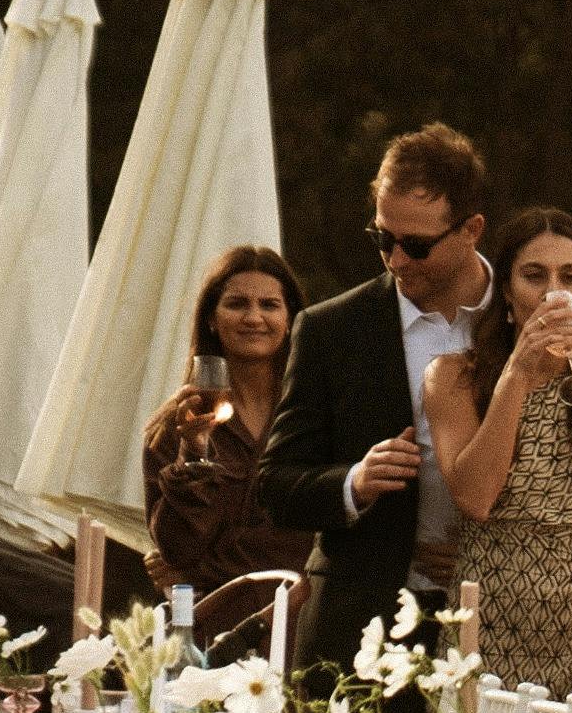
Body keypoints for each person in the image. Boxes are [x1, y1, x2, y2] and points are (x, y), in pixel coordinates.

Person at [259, 123, 497, 680]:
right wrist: (353, 483)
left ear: (472, 230)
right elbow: (275, 483)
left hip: (501, 621)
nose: (395, 259)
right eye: (382, 238)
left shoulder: (521, 316)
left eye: (415, 245)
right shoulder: (329, 329)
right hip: (360, 622)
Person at [424, 206, 572, 699]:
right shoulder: (453, 378)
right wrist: (518, 373)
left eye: (570, 277)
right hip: (488, 619)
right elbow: (475, 497)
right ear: (507, 292)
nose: (554, 293)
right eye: (534, 276)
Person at [141, 244, 309, 651]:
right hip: (215, 633)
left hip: (303, 626)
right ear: (212, 320)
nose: (254, 317)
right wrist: (194, 453)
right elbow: (178, 549)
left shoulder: (312, 414)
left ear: (290, 320)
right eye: (237, 304)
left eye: (269, 305)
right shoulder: (174, 425)